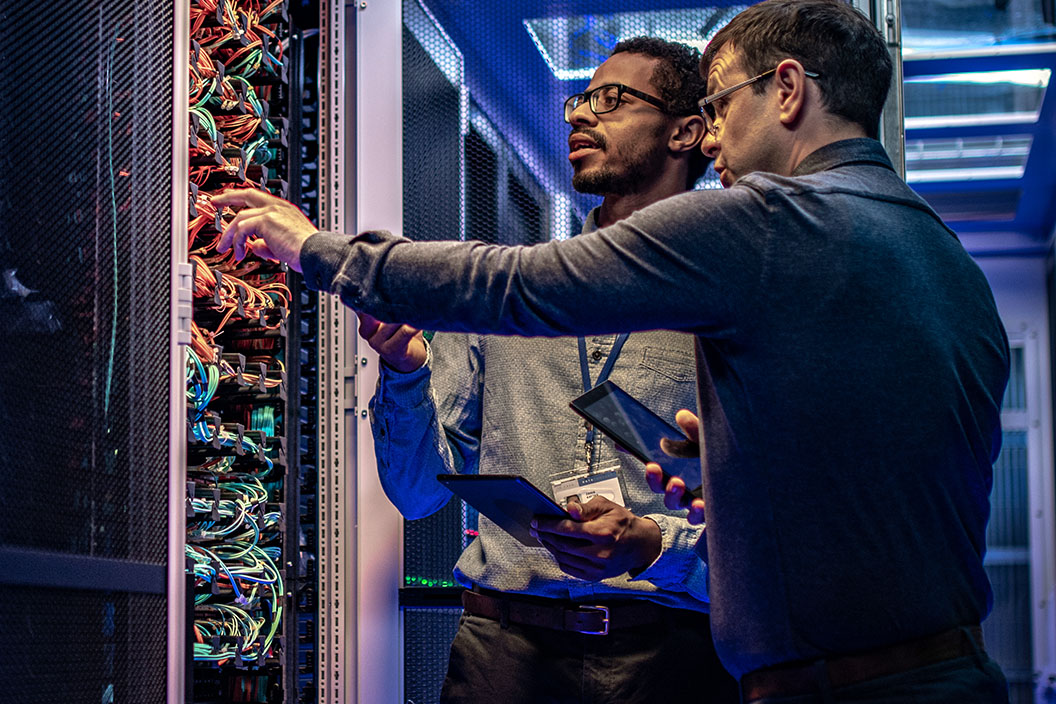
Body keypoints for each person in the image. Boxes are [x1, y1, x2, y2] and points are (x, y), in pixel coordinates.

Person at [213, 1, 1012, 701]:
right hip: (926, 664)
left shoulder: (771, 224)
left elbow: (523, 288)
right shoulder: (940, 255)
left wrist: (320, 248)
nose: (721, 141)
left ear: (789, 92)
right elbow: (889, 471)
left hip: (801, 677)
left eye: (724, 105)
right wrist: (751, 457)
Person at [356, 38, 738, 704]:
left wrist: (657, 542)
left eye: (612, 100)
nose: (579, 116)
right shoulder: (508, 295)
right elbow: (417, 495)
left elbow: (771, 511)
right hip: (503, 653)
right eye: (580, 99)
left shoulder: (729, 298)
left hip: (671, 659)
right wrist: (405, 372)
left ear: (688, 131)